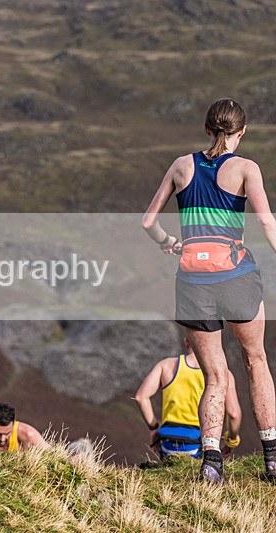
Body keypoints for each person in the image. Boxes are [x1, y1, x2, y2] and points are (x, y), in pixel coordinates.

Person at [142, 98, 276, 483]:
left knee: (215, 375)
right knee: (256, 363)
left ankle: (211, 463)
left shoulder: (181, 165)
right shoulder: (247, 169)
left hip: (192, 281)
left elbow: (148, 222)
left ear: (206, 129)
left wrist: (169, 242)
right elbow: (266, 222)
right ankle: (271, 458)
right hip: (236, 277)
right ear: (242, 131)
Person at [134, 337, 242, 460]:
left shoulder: (166, 365)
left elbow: (140, 397)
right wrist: (231, 441)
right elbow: (234, 414)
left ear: (186, 343)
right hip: (199, 442)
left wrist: (154, 428)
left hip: (167, 442)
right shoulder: (223, 374)